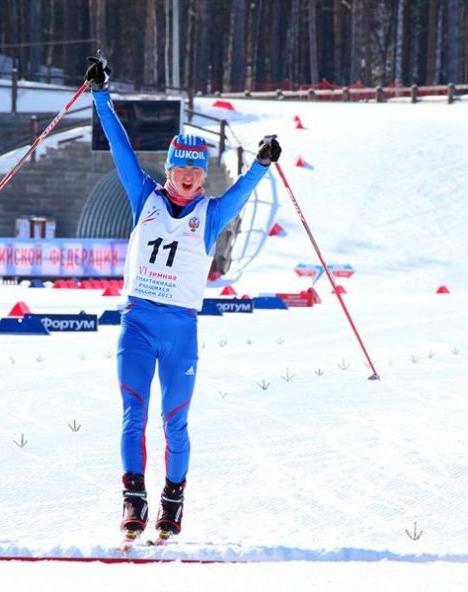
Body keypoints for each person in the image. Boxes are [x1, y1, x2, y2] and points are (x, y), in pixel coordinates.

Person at [84, 55, 281, 543]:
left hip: (180, 331)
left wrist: (262, 161)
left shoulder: (210, 215)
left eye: (197, 171)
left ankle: (172, 504)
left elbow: (245, 189)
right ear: (169, 169)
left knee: (176, 421)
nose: (189, 177)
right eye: (182, 169)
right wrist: (100, 96)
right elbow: (120, 150)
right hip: (137, 322)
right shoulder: (143, 197)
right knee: (133, 414)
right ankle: (134, 500)